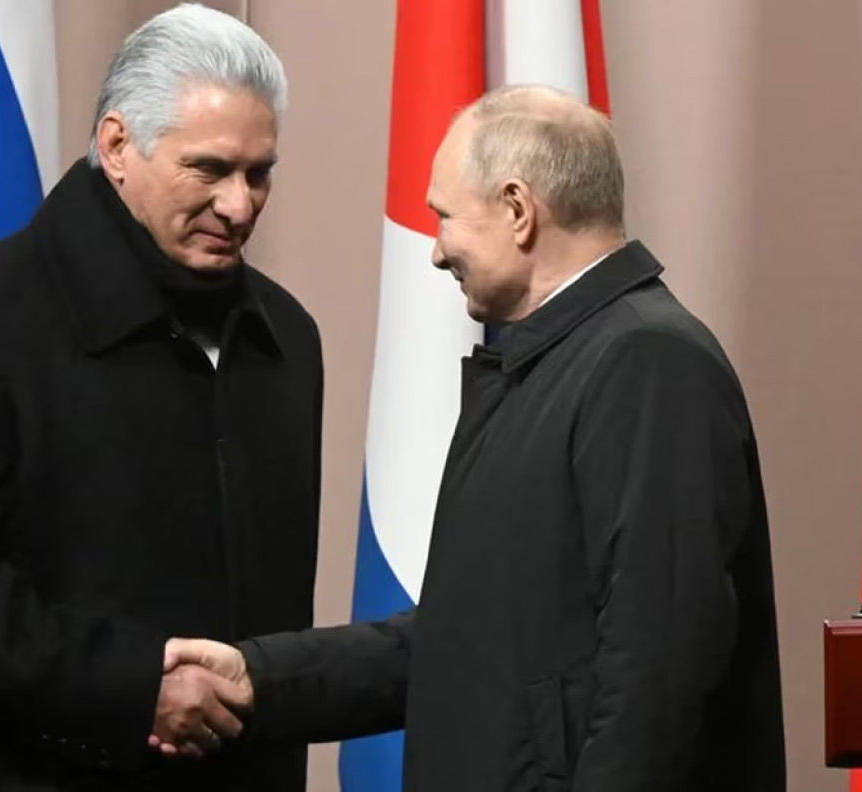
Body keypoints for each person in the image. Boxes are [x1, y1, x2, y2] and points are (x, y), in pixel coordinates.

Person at [159, 84, 787, 791]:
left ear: (518, 211)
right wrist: (259, 676)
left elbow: (660, 666)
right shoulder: (551, 369)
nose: (435, 251)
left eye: (446, 218)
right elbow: (465, 639)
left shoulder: (647, 363)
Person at [0, 4, 319, 790]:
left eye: (257, 173)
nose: (239, 206)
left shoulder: (288, 341)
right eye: (208, 169)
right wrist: (132, 687)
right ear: (118, 145)